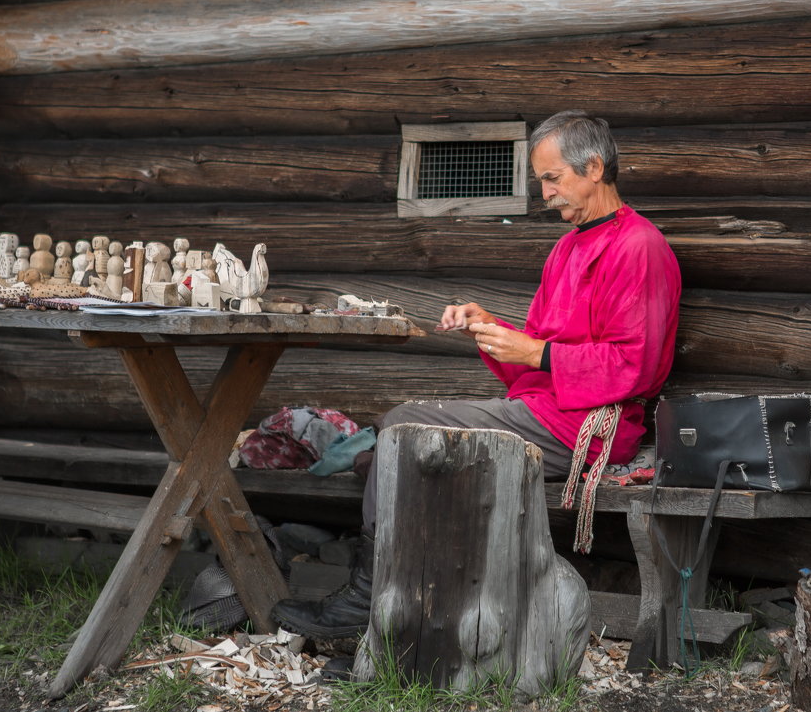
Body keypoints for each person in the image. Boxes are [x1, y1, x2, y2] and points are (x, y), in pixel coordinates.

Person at [272, 110, 681, 641]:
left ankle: (368, 603)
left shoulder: (638, 247)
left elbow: (636, 366)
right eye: (540, 181)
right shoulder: (566, 248)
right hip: (545, 410)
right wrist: (488, 328)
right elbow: (532, 363)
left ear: (595, 168)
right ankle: (405, 608)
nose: (545, 192)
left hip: (589, 428)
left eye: (553, 178)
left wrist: (534, 352)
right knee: (402, 443)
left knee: (402, 431)